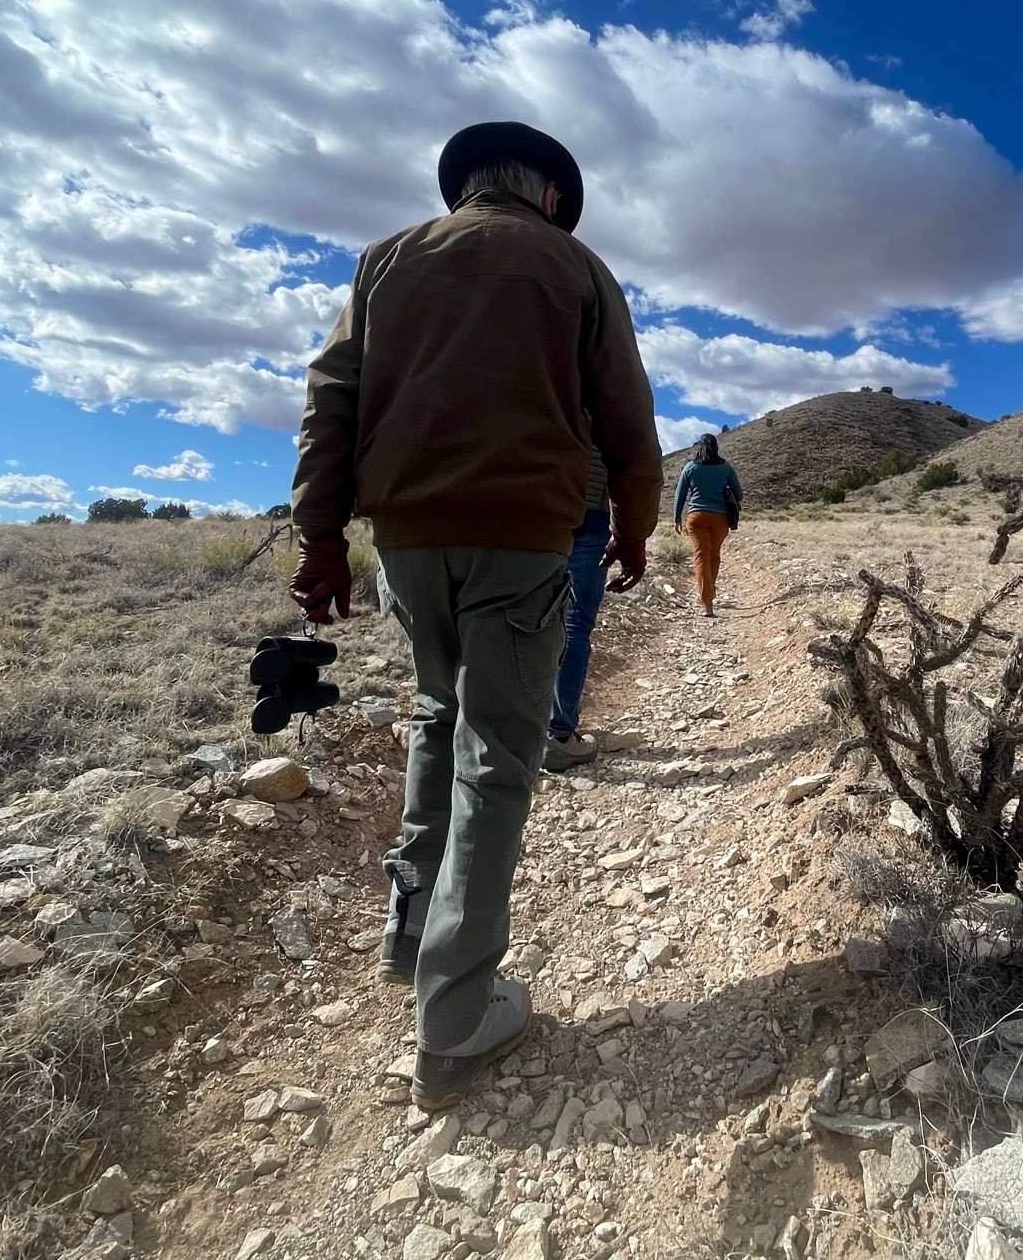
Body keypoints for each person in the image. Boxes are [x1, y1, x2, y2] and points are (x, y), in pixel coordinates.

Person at [288, 121, 662, 1110]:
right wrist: (633, 527)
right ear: (546, 195)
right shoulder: (575, 265)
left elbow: (331, 400)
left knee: (435, 716)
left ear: (469, 189)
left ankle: (411, 936)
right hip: (523, 540)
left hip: (405, 544)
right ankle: (454, 1023)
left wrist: (321, 537)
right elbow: (627, 417)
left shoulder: (385, 261)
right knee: (499, 753)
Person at [543, 448, 610, 772]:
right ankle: (557, 736)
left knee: (516, 619)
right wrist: (632, 532)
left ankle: (506, 735)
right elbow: (634, 461)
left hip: (524, 511)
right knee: (575, 624)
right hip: (587, 517)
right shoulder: (603, 397)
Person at [672, 434, 743, 616]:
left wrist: (676, 518)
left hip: (697, 517)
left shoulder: (690, 467)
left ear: (699, 447)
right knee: (714, 554)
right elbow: (739, 494)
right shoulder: (726, 468)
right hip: (720, 518)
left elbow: (680, 495)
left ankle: (707, 603)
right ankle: (709, 590)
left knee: (700, 556)